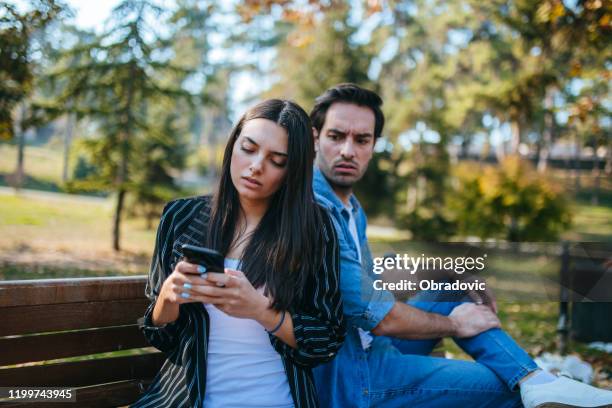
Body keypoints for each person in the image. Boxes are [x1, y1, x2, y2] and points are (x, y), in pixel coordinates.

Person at [310, 83, 612, 408]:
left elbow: (367, 285)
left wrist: (450, 276)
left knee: (455, 289)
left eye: (362, 140)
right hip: (354, 378)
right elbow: (379, 316)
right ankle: (532, 383)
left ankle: (535, 380)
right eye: (336, 136)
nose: (347, 150)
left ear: (373, 145)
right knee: (505, 390)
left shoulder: (351, 209)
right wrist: (455, 324)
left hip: (374, 348)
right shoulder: (313, 210)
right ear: (315, 138)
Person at [132, 99, 345, 408]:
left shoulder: (314, 229)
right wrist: (168, 297)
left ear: (293, 170)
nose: (256, 165)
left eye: (277, 160)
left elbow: (325, 340)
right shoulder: (181, 217)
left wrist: (260, 310)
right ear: (233, 146)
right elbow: (162, 338)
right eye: (248, 148)